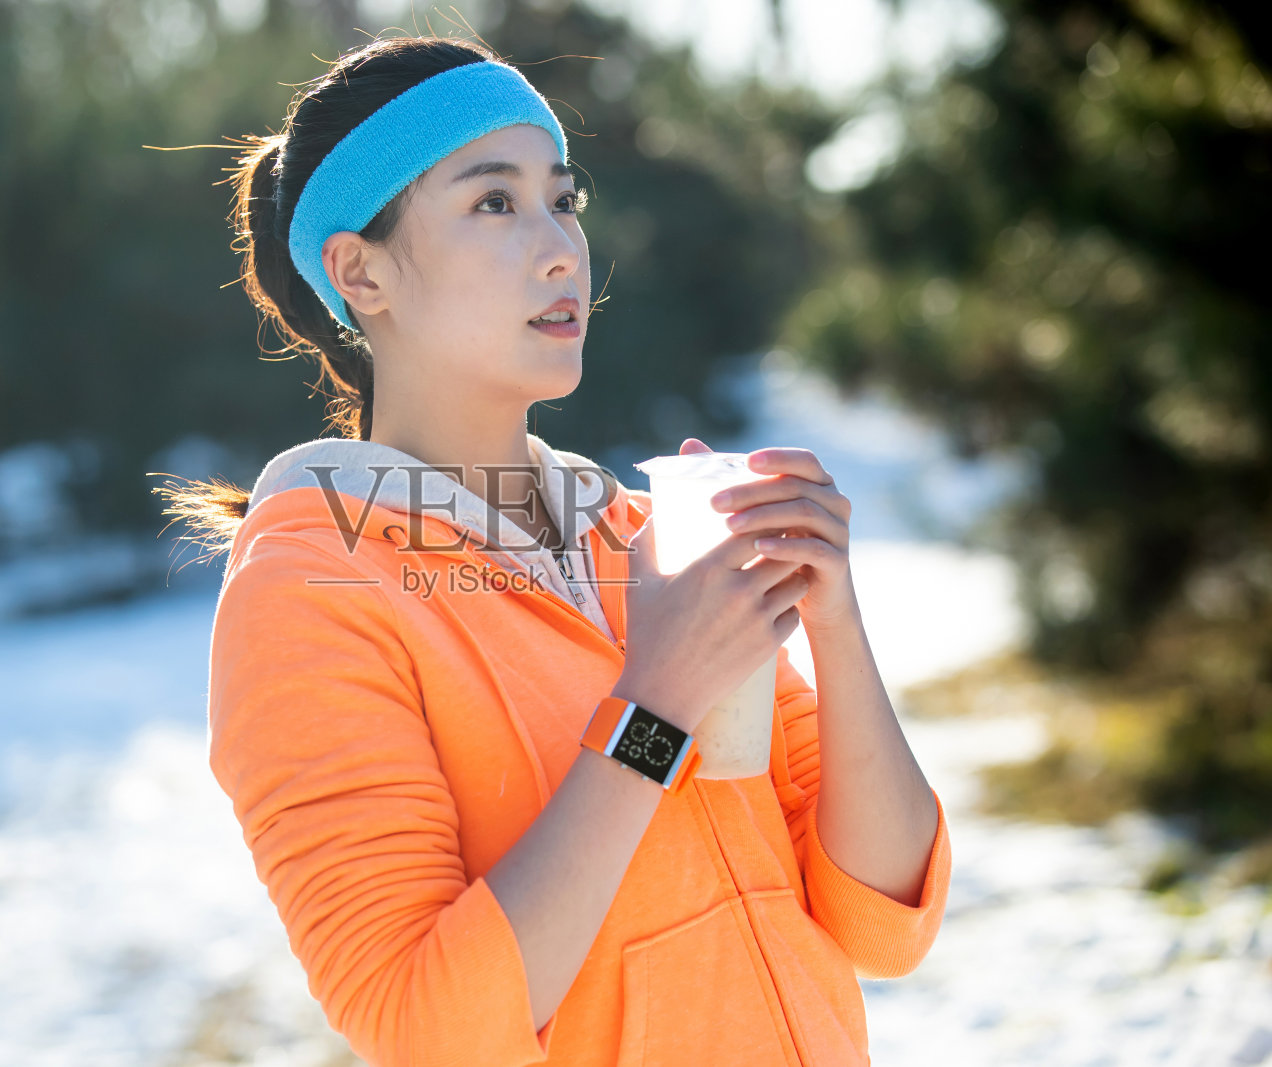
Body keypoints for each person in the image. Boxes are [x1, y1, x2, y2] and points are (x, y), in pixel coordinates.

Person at [157, 33, 951, 1067]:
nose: (560, 246)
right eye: (495, 202)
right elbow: (425, 1024)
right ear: (360, 271)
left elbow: (881, 920)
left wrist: (832, 622)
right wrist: (653, 708)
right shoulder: (310, 591)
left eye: (563, 200)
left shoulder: (643, 541)